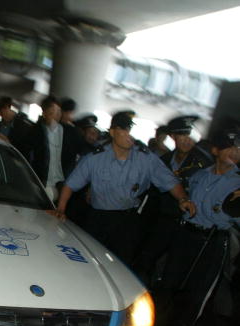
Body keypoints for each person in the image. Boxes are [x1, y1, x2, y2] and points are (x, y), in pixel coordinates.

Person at [53, 111, 195, 266]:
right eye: (124, 130)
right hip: (99, 219)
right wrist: (60, 209)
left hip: (127, 221)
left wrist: (183, 199)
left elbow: (169, 181)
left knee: (121, 264)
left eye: (130, 130)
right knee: (89, 261)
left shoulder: (145, 158)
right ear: (113, 132)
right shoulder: (95, 158)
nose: (129, 135)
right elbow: (71, 184)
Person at [158, 132, 240, 326]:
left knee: (198, 288)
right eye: (229, 147)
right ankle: (158, 323)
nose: (234, 152)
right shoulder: (199, 175)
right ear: (216, 151)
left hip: (213, 239)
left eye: (237, 148)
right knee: (170, 280)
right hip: (186, 234)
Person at [134, 115, 213, 284]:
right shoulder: (164, 160)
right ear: (173, 137)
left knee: (175, 267)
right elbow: (153, 192)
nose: (186, 141)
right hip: (163, 219)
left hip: (187, 222)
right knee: (147, 256)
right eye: (182, 136)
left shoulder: (204, 163)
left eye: (189, 136)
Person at [30, 95, 82, 202]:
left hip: (60, 182)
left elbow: (75, 153)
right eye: (51, 112)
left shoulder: (70, 132)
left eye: (58, 111)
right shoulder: (35, 131)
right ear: (44, 113)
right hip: (39, 180)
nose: (56, 115)